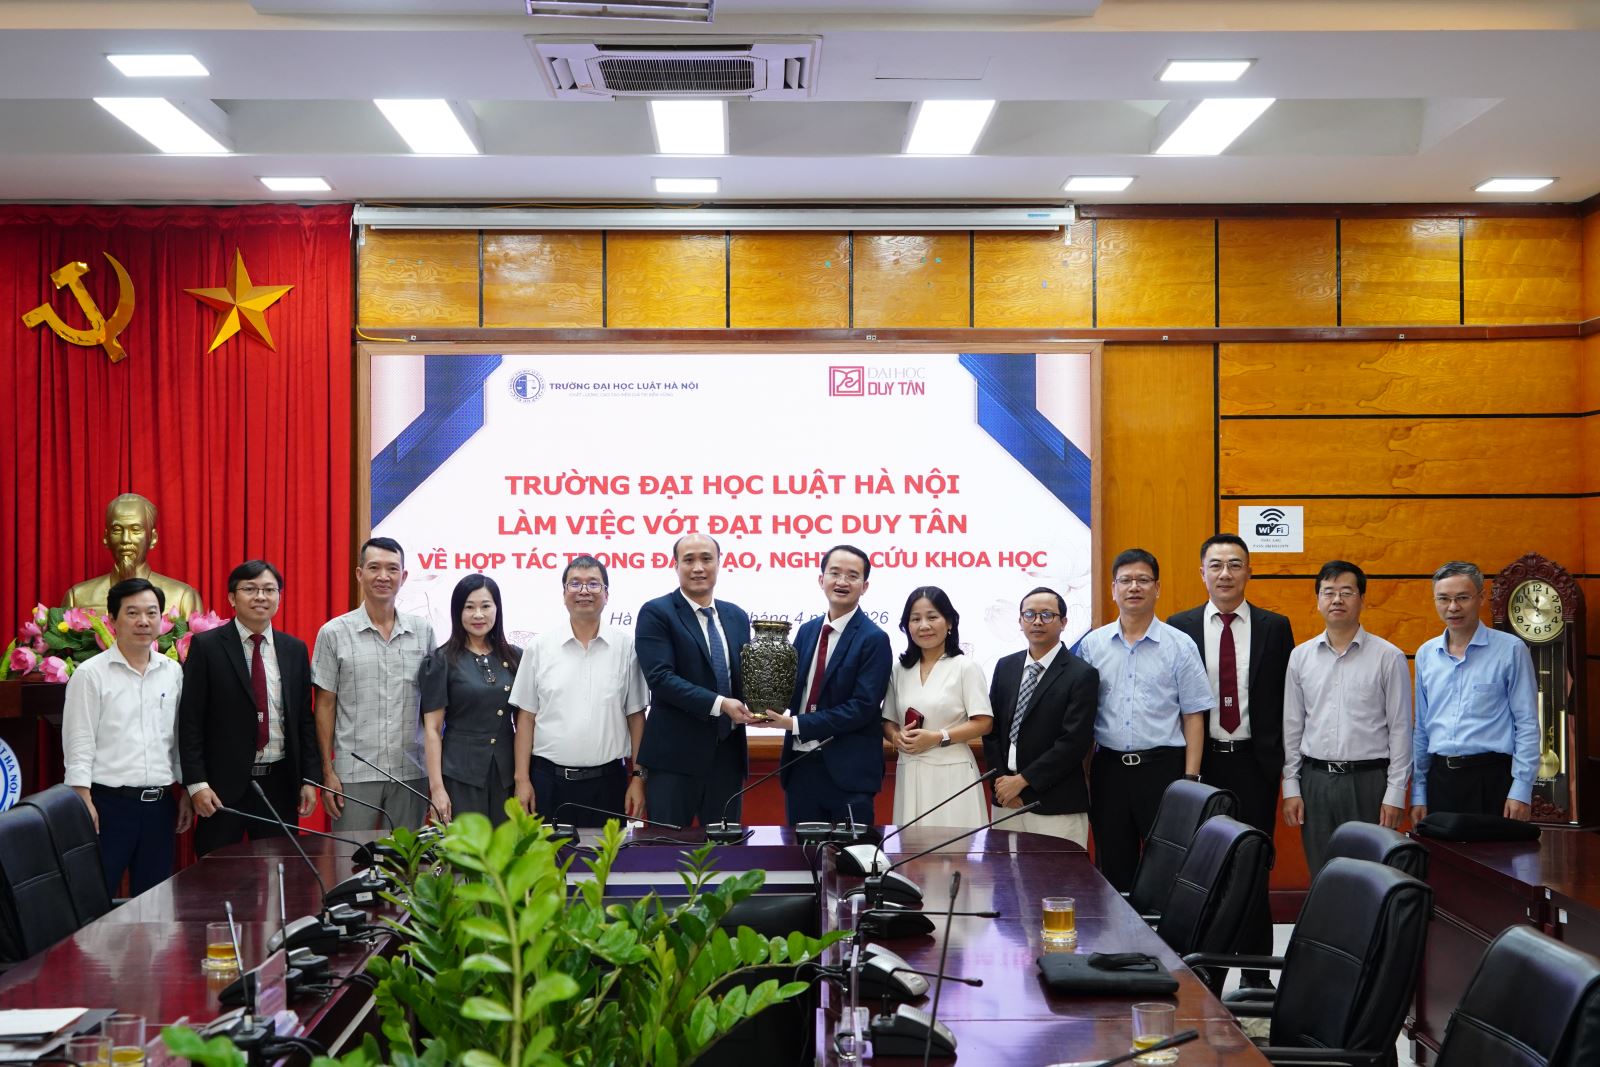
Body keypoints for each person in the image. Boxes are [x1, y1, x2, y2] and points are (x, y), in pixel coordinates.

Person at [1168, 533, 1293, 988]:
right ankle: (1208, 977)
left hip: (1254, 764)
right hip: (1202, 765)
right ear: (1202, 572)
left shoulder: (1275, 627)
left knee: (1255, 868)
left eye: (1235, 564)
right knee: (1208, 871)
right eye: (1216, 565)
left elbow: (1286, 700)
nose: (1225, 574)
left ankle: (1257, 978)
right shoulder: (1179, 627)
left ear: (1249, 572)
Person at [1077, 549, 1211, 892]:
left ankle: (1162, 930)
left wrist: (1190, 779)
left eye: (1143, 580)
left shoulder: (1180, 645)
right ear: (1113, 589)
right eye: (1125, 580)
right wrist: (1085, 773)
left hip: (1163, 771)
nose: (1134, 587)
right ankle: (1118, 928)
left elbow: (1193, 715)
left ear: (1157, 588)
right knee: (1113, 866)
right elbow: (1084, 717)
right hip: (1109, 771)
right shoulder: (1093, 646)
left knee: (1166, 867)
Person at [62, 578, 193, 895]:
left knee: (155, 903)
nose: (143, 621)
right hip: (107, 806)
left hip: (160, 806)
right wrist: (83, 799)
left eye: (151, 613)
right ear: (112, 620)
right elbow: (79, 741)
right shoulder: (90, 674)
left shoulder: (172, 671)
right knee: (95, 900)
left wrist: (187, 789)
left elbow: (178, 737)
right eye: (132, 613)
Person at [1282, 562, 1413, 874]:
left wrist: (1395, 793)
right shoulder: (1300, 657)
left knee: (1371, 875)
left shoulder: (1389, 656)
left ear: (1362, 599)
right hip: (1315, 781)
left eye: (1346, 592)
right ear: (1318, 600)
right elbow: (1292, 726)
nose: (1337, 600)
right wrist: (1291, 787)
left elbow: (1400, 729)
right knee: (1322, 872)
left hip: (1368, 783)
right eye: (1328, 592)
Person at [180, 560, 318, 856]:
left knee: (279, 870)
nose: (260, 597)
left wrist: (309, 778)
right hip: (220, 787)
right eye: (250, 589)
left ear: (279, 597)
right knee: (216, 872)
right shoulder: (207, 646)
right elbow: (190, 720)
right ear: (232, 598)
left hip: (280, 784)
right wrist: (196, 784)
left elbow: (304, 720)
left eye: (269, 590)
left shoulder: (294, 649)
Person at [509, 556, 648, 828]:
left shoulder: (626, 648)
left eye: (593, 584)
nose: (584, 591)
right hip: (548, 783)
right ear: (564, 594)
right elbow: (525, 719)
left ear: (606, 595)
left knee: (608, 856)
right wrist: (522, 780)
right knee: (549, 855)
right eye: (575, 584)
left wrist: (638, 778)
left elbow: (636, 717)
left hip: (609, 784)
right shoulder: (539, 648)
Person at [759, 545, 892, 827]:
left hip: (849, 773)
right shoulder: (807, 631)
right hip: (800, 766)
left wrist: (795, 724)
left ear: (865, 586)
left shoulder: (874, 639)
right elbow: (792, 690)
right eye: (834, 573)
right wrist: (762, 708)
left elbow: (862, 708)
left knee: (850, 853)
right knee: (802, 852)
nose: (842, 581)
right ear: (821, 580)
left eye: (852, 576)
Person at [312, 537, 436, 831]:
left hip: (411, 770)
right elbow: (324, 706)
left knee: (408, 856)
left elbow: (432, 707)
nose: (383, 576)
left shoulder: (422, 631)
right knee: (351, 856)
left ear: (403, 576)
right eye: (374, 567)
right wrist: (327, 772)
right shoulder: (334, 633)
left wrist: (436, 777)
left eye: (392, 569)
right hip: (353, 773)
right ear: (359, 574)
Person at [636, 534, 756, 829]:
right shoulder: (657, 612)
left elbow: (743, 678)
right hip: (674, 761)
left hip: (727, 759)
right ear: (675, 565)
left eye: (706, 559)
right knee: (666, 849)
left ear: (719, 562)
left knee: (725, 849)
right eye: (688, 560)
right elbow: (660, 679)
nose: (698, 567)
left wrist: (762, 706)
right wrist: (721, 704)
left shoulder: (737, 616)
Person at [1410, 561, 1539, 823]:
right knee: (1439, 851)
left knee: (1493, 850)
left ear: (1481, 597)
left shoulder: (1511, 650)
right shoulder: (1426, 654)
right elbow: (1422, 727)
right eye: (1443, 599)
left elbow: (1526, 723)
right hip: (1440, 781)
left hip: (1491, 780)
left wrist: (1521, 789)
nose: (1453, 607)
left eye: (1462, 598)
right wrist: (1419, 792)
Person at [983, 586, 1099, 845]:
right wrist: (1003, 783)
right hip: (1006, 800)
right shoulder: (1005, 666)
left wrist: (1023, 781)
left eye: (1047, 615)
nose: (1037, 621)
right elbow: (991, 730)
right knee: (1005, 870)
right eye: (1029, 614)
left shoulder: (1082, 674)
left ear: (1064, 622)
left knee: (1057, 872)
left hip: (1055, 803)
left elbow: (1074, 742)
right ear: (1020, 621)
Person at [882, 586, 993, 828]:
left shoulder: (965, 667)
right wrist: (896, 737)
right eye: (915, 619)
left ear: (949, 622)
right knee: (911, 846)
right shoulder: (899, 670)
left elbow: (984, 723)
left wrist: (937, 737)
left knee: (953, 846)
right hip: (909, 769)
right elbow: (888, 721)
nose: (924, 625)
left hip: (952, 771)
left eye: (932, 617)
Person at [420, 574, 522, 825]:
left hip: (506, 776)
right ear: (458, 612)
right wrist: (437, 788)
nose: (478, 615)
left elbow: (525, 723)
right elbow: (432, 729)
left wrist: (523, 778)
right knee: (465, 848)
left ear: (497, 609)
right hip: (460, 775)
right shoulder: (441, 660)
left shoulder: (516, 658)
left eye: (486, 606)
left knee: (507, 847)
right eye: (469, 607)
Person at [63, 492, 202, 616]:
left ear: (153, 538)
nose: (125, 539)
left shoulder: (182, 598)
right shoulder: (77, 598)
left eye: (135, 530)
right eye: (117, 530)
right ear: (106, 537)